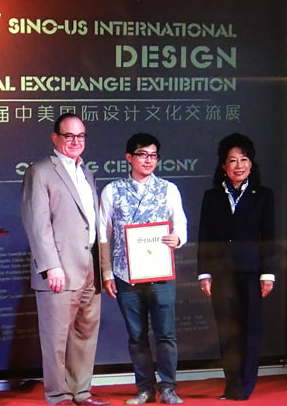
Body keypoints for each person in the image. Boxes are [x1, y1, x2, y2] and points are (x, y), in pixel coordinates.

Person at [21, 113, 109, 406]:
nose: (75, 141)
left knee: (85, 335)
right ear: (55, 137)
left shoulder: (87, 173)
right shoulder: (40, 171)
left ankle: (81, 392)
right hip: (59, 269)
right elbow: (37, 223)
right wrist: (51, 266)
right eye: (69, 136)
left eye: (81, 136)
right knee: (56, 338)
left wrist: (103, 269)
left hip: (89, 269)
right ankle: (58, 395)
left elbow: (92, 224)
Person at [99, 133, 187, 405]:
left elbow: (180, 223)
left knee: (166, 334)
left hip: (160, 272)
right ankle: (144, 389)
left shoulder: (168, 189)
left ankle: (168, 387)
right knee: (136, 336)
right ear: (129, 157)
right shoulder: (112, 190)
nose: (148, 160)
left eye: (153, 155)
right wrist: (106, 272)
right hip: (126, 274)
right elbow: (103, 233)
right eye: (142, 154)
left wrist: (177, 238)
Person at [197, 133, 276, 401]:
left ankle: (245, 387)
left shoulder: (263, 196)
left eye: (244, 159)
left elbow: (268, 236)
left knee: (249, 331)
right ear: (223, 165)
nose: (239, 166)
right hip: (221, 275)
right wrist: (204, 272)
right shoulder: (212, 197)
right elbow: (205, 236)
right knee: (227, 333)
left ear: (251, 164)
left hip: (252, 273)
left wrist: (267, 273)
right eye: (232, 160)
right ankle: (231, 386)